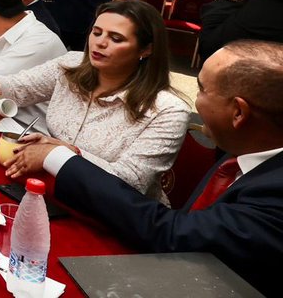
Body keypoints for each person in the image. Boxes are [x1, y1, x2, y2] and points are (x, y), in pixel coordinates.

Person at [49, 40, 283, 294]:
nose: (195, 100)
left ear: (238, 112)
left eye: (202, 90)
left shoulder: (274, 192)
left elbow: (176, 235)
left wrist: (61, 158)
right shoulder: (248, 146)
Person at [0, 0, 190, 202]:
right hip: (55, 190)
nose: (100, 43)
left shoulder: (167, 110)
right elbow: (20, 87)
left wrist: (63, 153)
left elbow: (131, 181)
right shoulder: (70, 65)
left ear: (146, 49)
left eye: (116, 38)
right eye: (96, 32)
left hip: (115, 212)